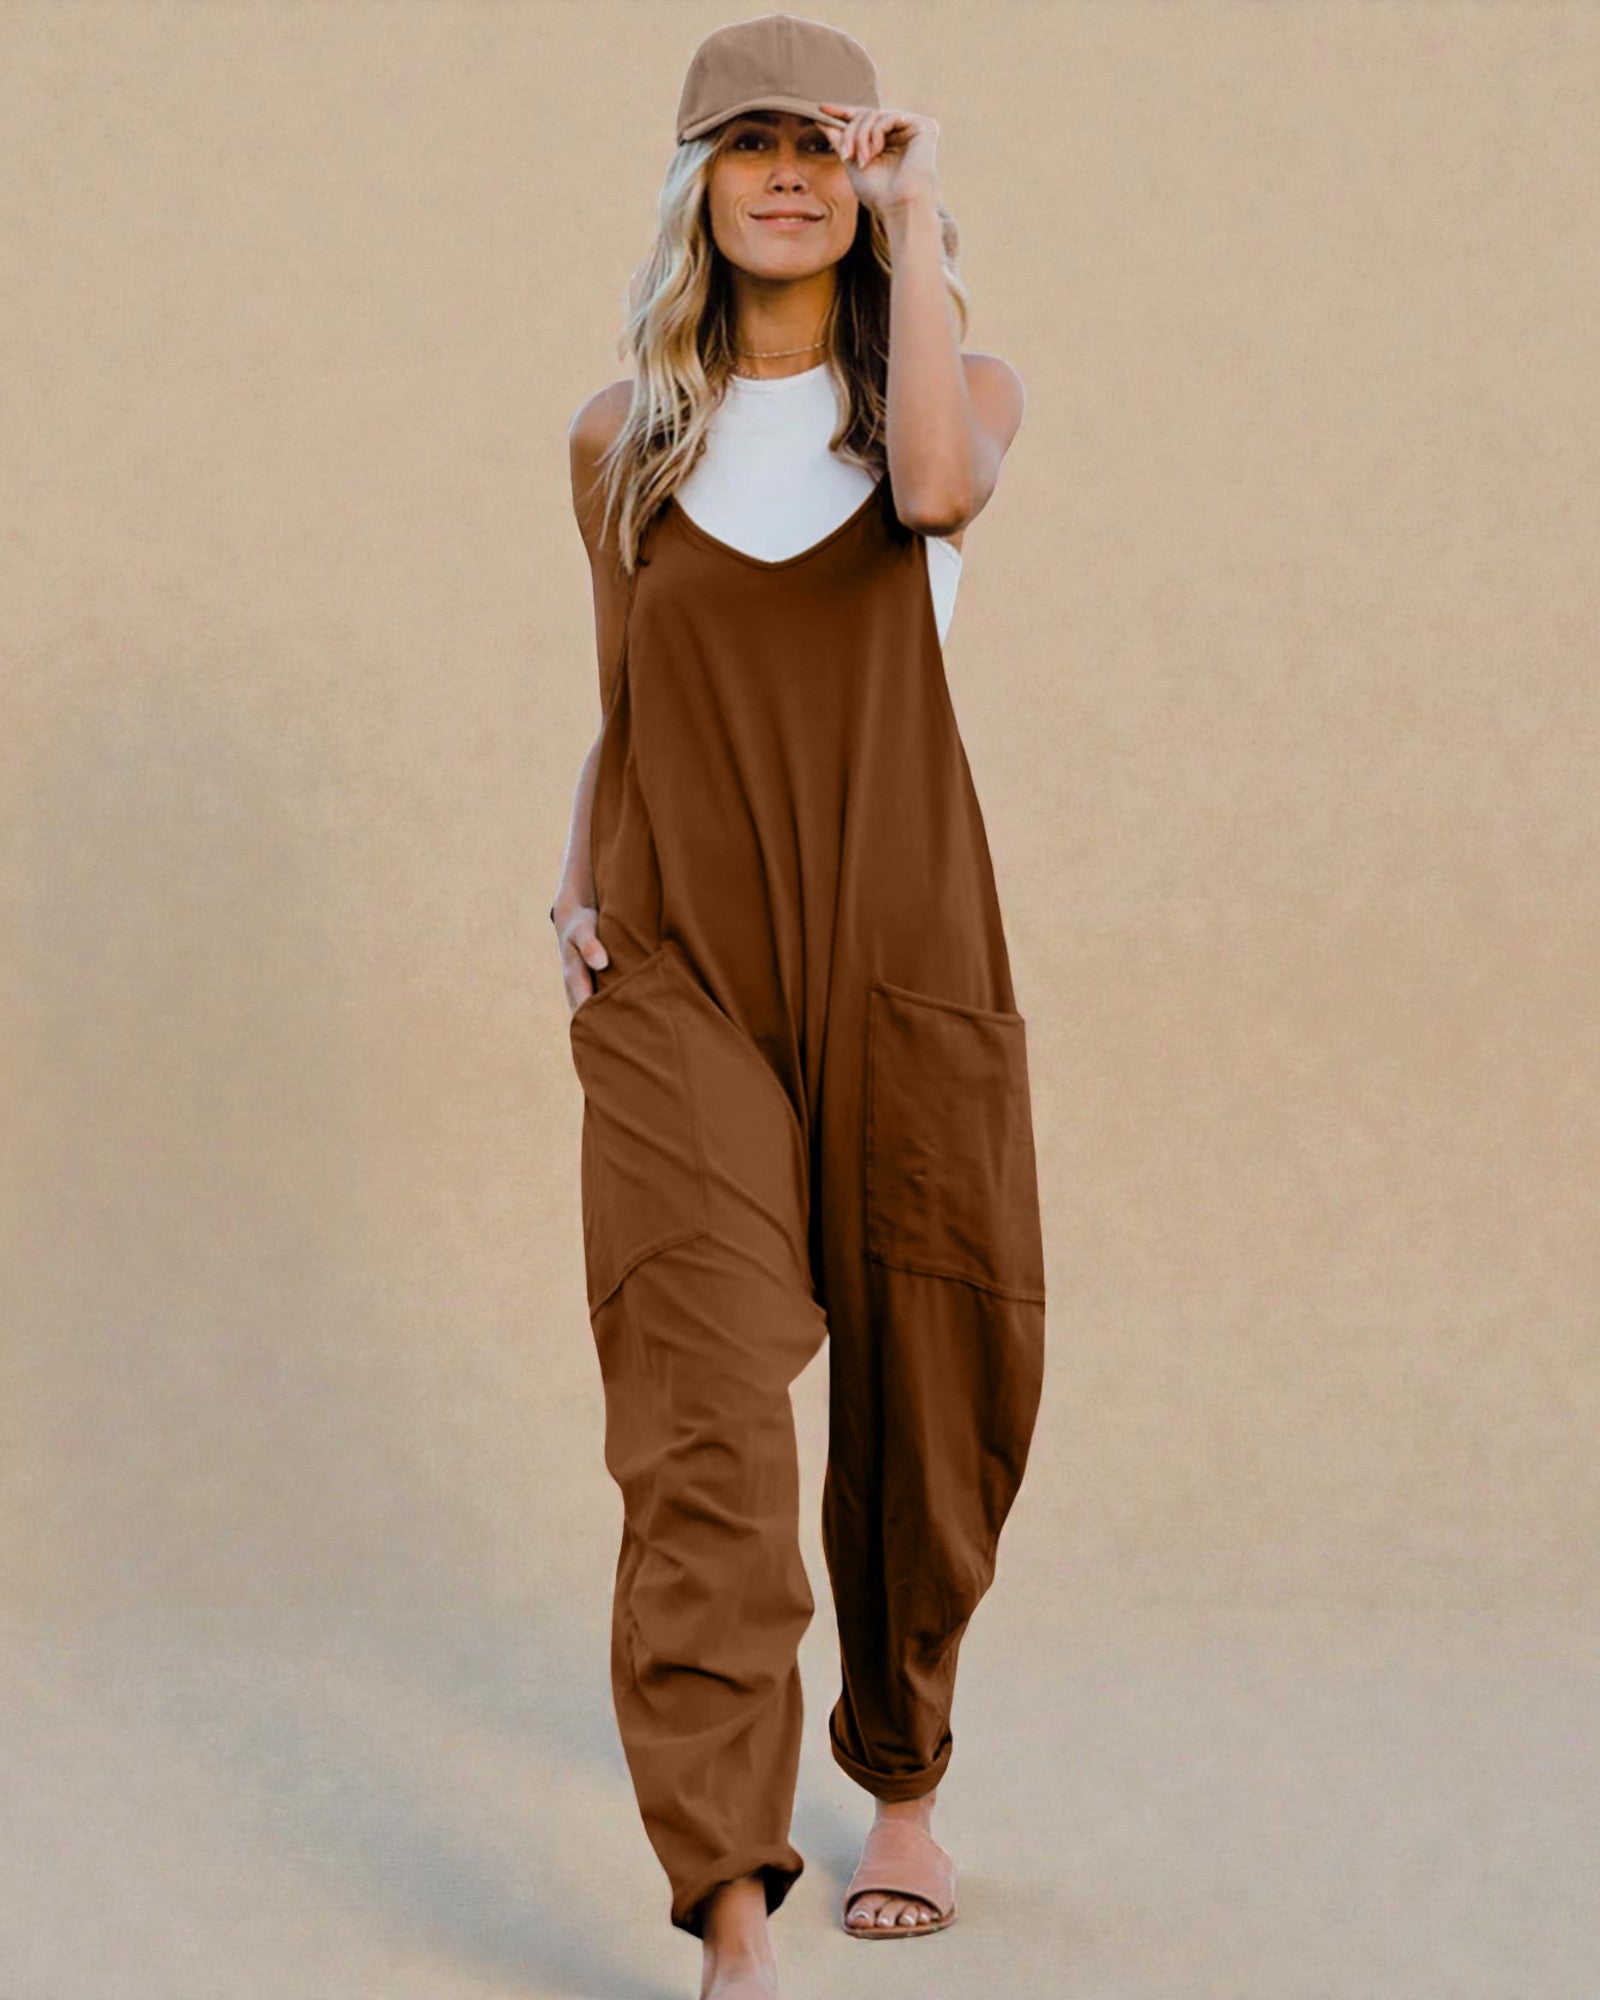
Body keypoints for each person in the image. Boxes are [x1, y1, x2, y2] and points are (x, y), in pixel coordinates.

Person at [551, 16, 1048, 1997]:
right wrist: (574, 868)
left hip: (900, 941)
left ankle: (900, 1767)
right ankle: (731, 1907)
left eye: (819, 147)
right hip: (677, 956)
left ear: (866, 177)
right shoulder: (619, 436)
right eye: (742, 145)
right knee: (696, 1414)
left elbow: (934, 491)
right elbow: (626, 697)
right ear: (694, 183)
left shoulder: (945, 381)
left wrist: (915, 223)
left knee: (934, 1377)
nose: (783, 175)